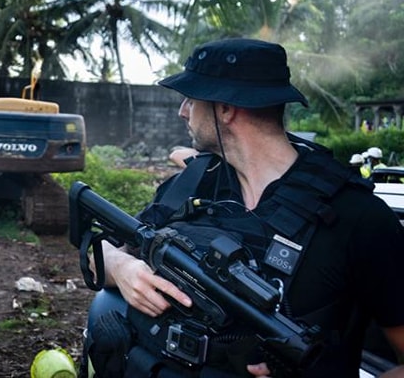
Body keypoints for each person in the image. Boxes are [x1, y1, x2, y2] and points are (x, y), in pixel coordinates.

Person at [87, 38, 404, 377]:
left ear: (226, 109)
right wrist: (122, 268)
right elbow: (98, 255)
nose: (182, 111)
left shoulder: (358, 218)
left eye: (191, 99)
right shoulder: (191, 184)